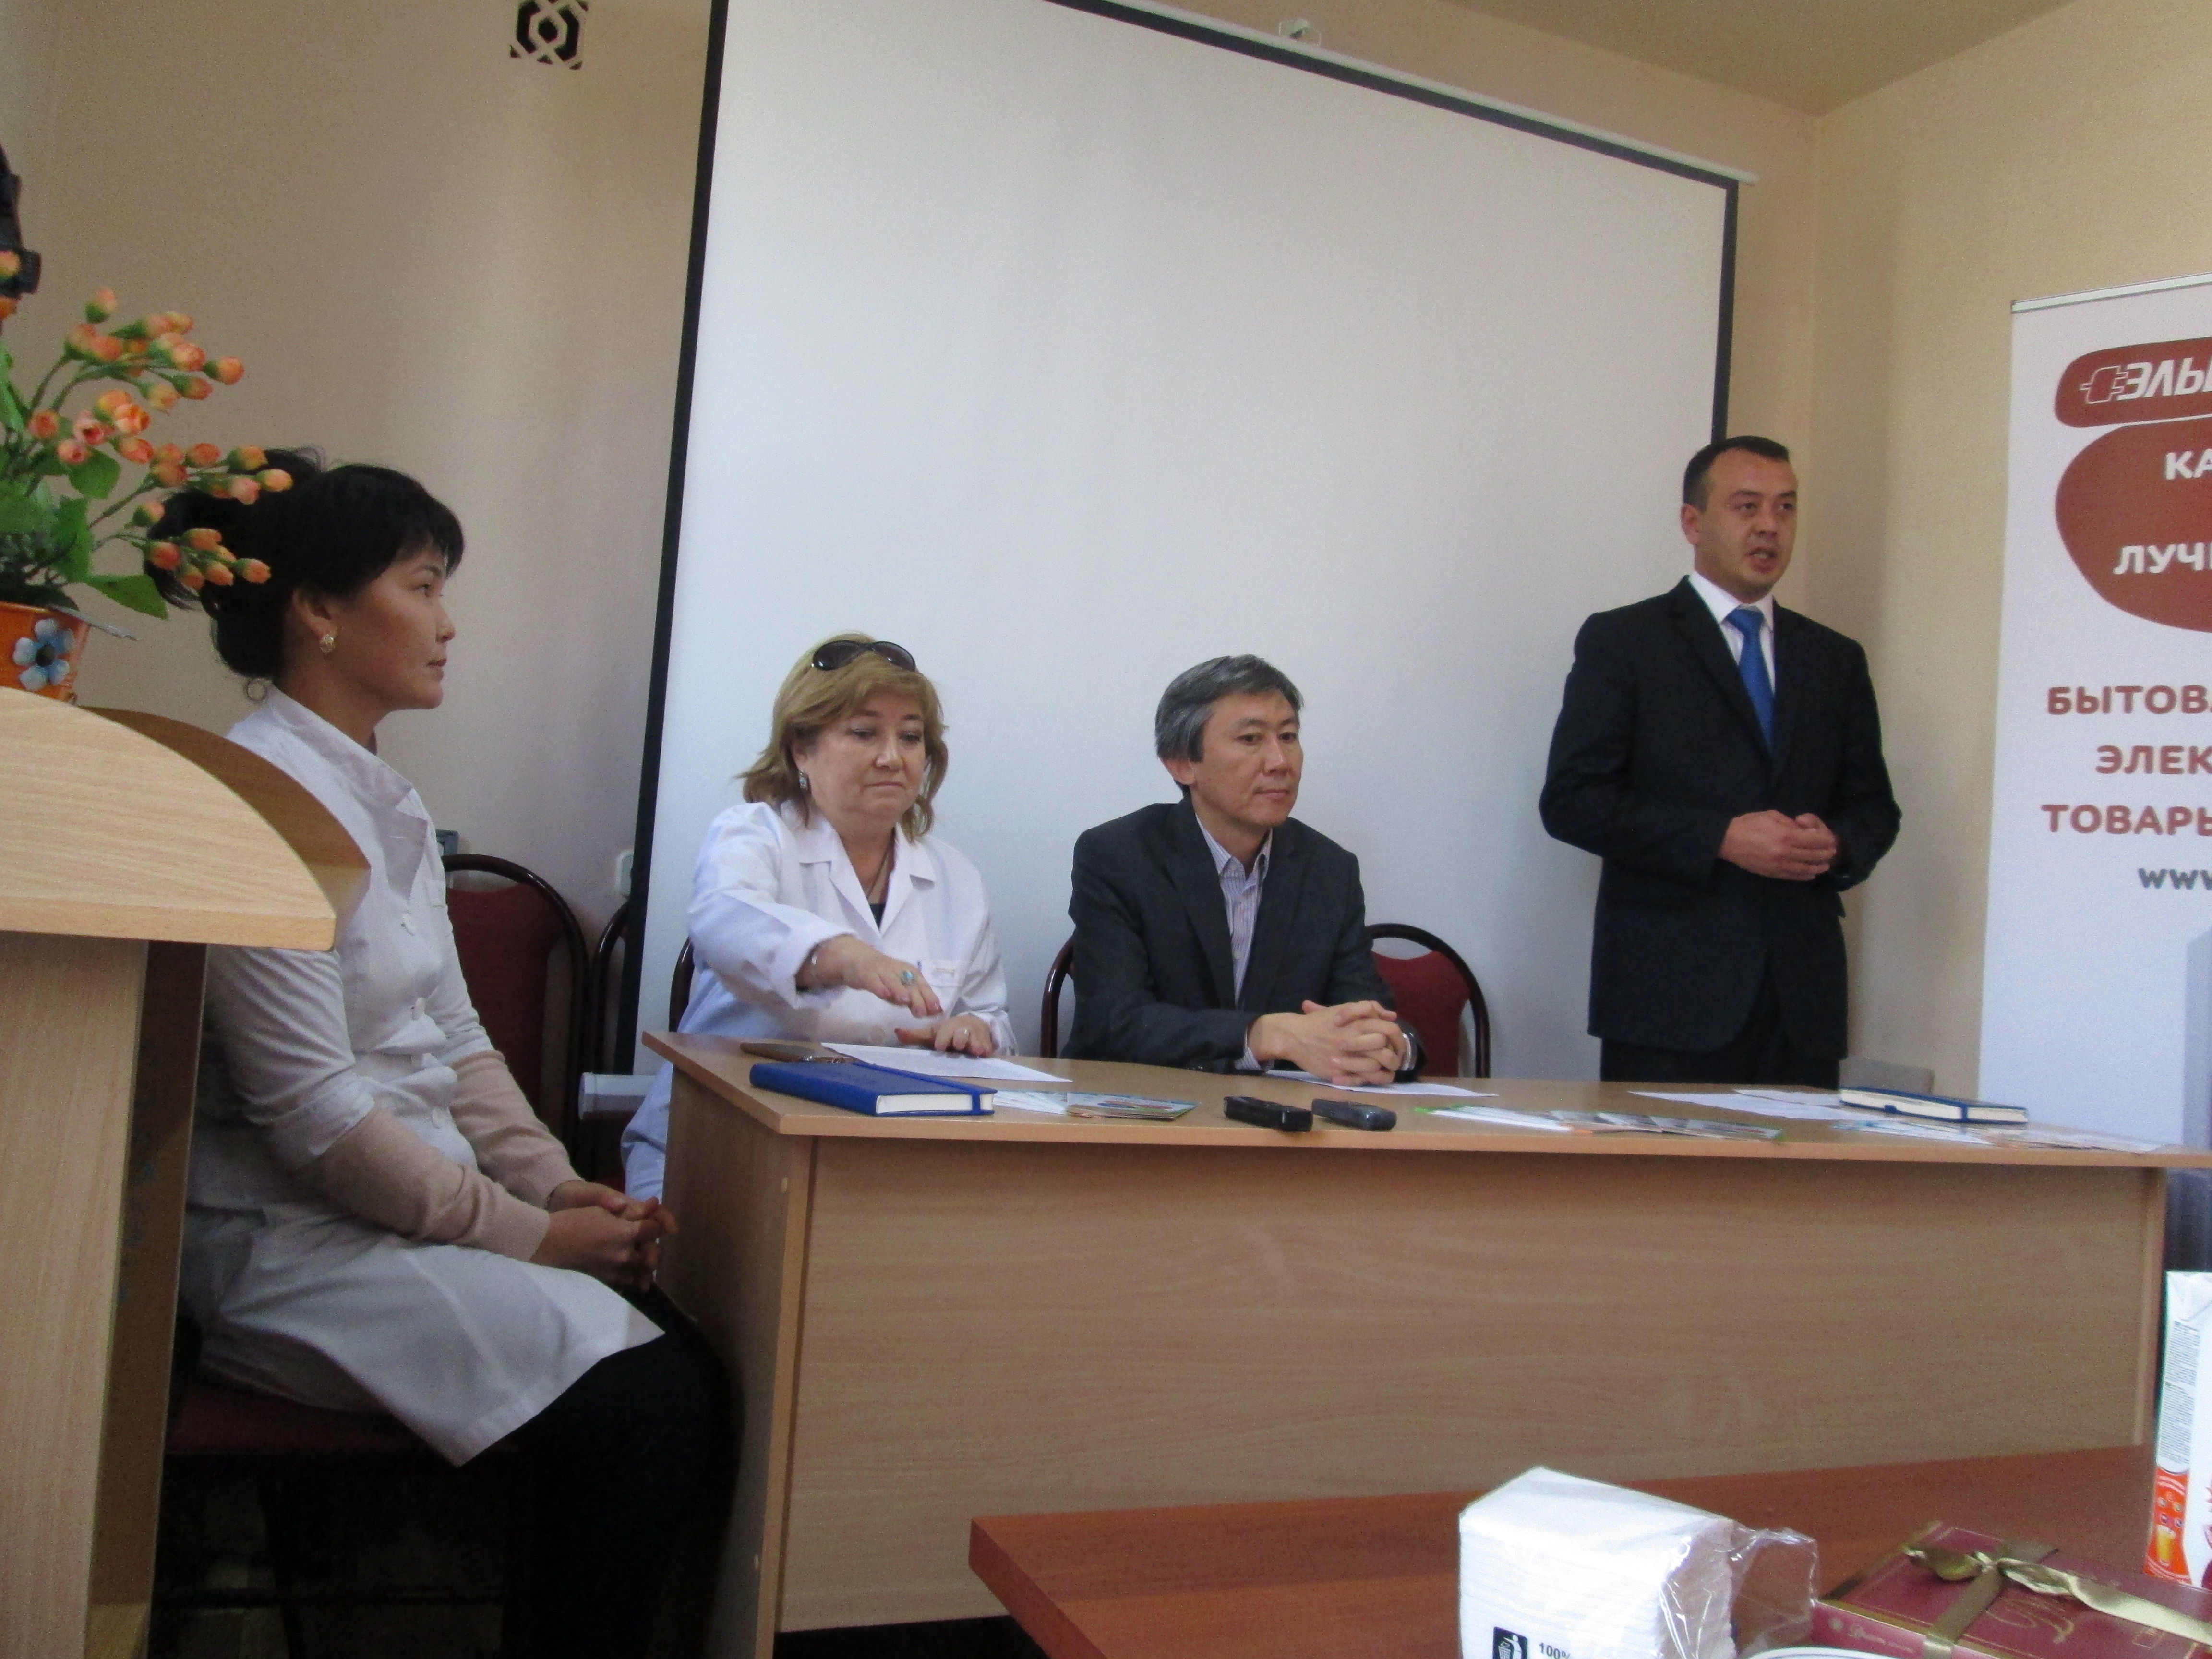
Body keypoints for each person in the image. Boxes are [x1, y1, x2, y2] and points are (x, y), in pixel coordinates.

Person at [161, 452, 731, 1657]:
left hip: (410, 1211)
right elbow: (316, 1117)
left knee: (691, 1357)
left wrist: (554, 1185)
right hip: (294, 1240)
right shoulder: (255, 800)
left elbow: (455, 1037)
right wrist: (527, 1234)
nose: (447, 622)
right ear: (319, 608)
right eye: (422, 586)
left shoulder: (389, 802)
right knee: (653, 1407)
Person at [1539, 435, 1900, 1087]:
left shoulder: (1834, 659)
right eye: (1747, 506)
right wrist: (1721, 838)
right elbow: (1573, 801)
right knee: (1662, 1160)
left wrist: (1838, 845)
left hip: (1801, 1002)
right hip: (1668, 999)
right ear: (1693, 522)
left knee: (1802, 1160)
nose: (1769, 526)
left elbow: (1874, 807)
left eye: (1786, 508)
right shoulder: (1627, 642)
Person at [621, 636, 1016, 1199]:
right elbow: (724, 920)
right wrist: (841, 956)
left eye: (910, 737)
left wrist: (975, 1031)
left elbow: (991, 1016)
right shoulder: (754, 835)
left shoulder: (956, 877)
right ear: (801, 749)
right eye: (864, 733)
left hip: (883, 1158)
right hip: (722, 1146)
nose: (893, 757)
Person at [1064, 654, 1417, 1083]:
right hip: (1144, 1105)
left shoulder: (1329, 870)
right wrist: (1263, 1034)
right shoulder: (1118, 856)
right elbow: (1112, 1024)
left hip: (1281, 1115)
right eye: (1251, 739)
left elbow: (1367, 1013)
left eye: (1288, 736)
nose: (1280, 761)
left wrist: (1390, 1046)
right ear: (1182, 763)